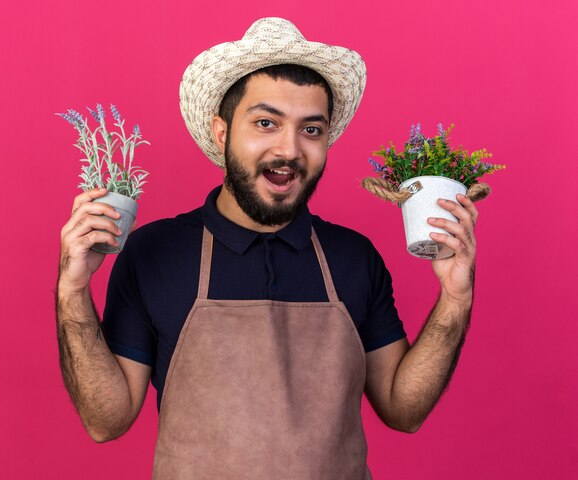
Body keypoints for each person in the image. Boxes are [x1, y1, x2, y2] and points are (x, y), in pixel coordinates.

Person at [56, 18, 478, 479]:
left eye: (311, 129)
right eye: (265, 122)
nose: (289, 148)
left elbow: (404, 410)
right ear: (222, 133)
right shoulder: (155, 253)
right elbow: (105, 421)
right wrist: (72, 292)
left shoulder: (354, 258)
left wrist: (455, 299)